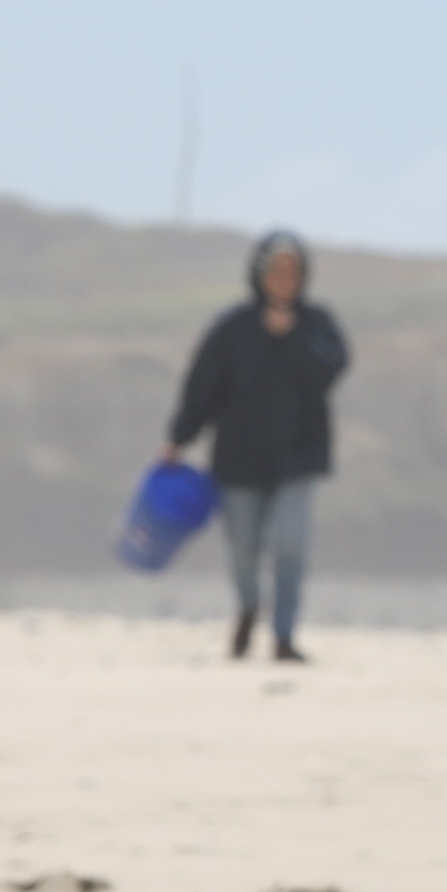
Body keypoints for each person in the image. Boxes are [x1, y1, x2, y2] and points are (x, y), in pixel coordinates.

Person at [163, 228, 349, 662]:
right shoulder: (232, 329)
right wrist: (178, 439)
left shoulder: (317, 324)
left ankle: (284, 635)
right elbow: (201, 391)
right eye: (277, 270)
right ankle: (248, 607)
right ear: (259, 274)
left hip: (298, 458)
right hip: (238, 459)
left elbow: (332, 369)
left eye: (293, 270)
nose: (284, 278)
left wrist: (293, 337)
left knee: (290, 544)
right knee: (243, 552)